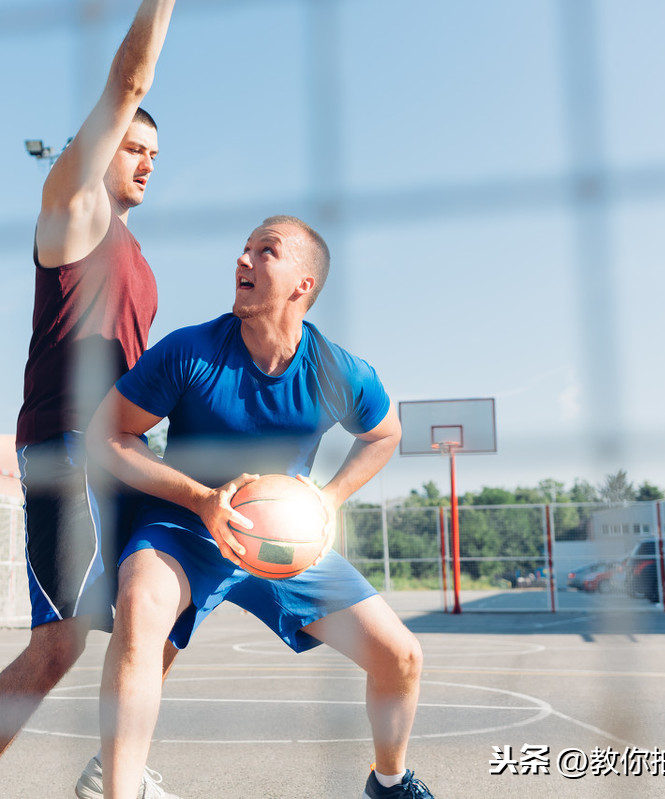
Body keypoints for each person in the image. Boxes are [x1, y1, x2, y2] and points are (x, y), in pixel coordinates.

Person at [87, 216, 438, 798]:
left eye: (265, 252)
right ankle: (117, 787)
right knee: (141, 607)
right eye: (244, 249)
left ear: (303, 284)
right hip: (185, 523)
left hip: (282, 536)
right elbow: (109, 435)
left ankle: (389, 781)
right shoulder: (190, 351)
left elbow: (384, 434)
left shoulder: (336, 370)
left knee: (401, 656)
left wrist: (327, 499)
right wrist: (200, 499)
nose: (243, 261)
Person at [0, 2, 181, 798]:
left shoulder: (140, 259)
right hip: (69, 445)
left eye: (154, 152)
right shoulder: (74, 211)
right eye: (132, 146)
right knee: (56, 645)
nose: (144, 161)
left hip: (126, 453)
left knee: (164, 609)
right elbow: (132, 75)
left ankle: (117, 770)